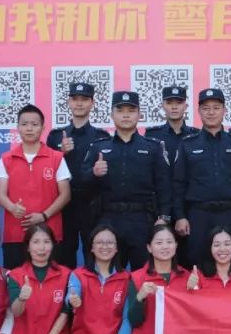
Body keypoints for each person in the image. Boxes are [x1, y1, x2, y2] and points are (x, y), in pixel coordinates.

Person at [80, 91, 172, 269]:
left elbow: (164, 185)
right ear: (112, 115)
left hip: (142, 221)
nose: (126, 115)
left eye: (131, 111)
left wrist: (164, 217)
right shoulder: (99, 147)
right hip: (108, 220)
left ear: (139, 115)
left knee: (145, 274)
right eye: (120, 110)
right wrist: (93, 173)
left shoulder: (153, 147)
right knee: (109, 274)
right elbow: (81, 183)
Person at [172, 88, 231, 269]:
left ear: (224, 111)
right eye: (206, 108)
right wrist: (180, 216)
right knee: (197, 263)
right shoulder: (187, 144)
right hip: (198, 215)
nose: (211, 112)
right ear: (199, 111)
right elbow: (178, 184)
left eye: (216, 108)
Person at [0, 105, 72, 270]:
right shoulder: (6, 158)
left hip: (49, 234)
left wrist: (44, 216)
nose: (29, 128)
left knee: (51, 280)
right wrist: (12, 207)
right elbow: (0, 194)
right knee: (15, 281)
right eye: (24, 124)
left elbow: (65, 194)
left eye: (34, 124)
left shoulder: (56, 157)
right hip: (15, 235)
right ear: (18, 127)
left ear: (43, 128)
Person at [48, 82, 108, 268]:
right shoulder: (56, 136)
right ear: (69, 102)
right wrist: (60, 153)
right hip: (63, 205)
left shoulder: (102, 136)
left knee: (94, 256)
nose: (79, 103)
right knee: (63, 258)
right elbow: (46, 169)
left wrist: (97, 172)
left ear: (92, 103)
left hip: (92, 205)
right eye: (75, 99)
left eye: (84, 99)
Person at [146, 84, 200, 266]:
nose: (174, 107)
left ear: (186, 106)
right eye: (170, 103)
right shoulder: (152, 136)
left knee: (189, 259)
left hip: (189, 206)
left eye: (179, 102)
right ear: (163, 105)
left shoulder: (196, 136)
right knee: (160, 259)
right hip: (160, 206)